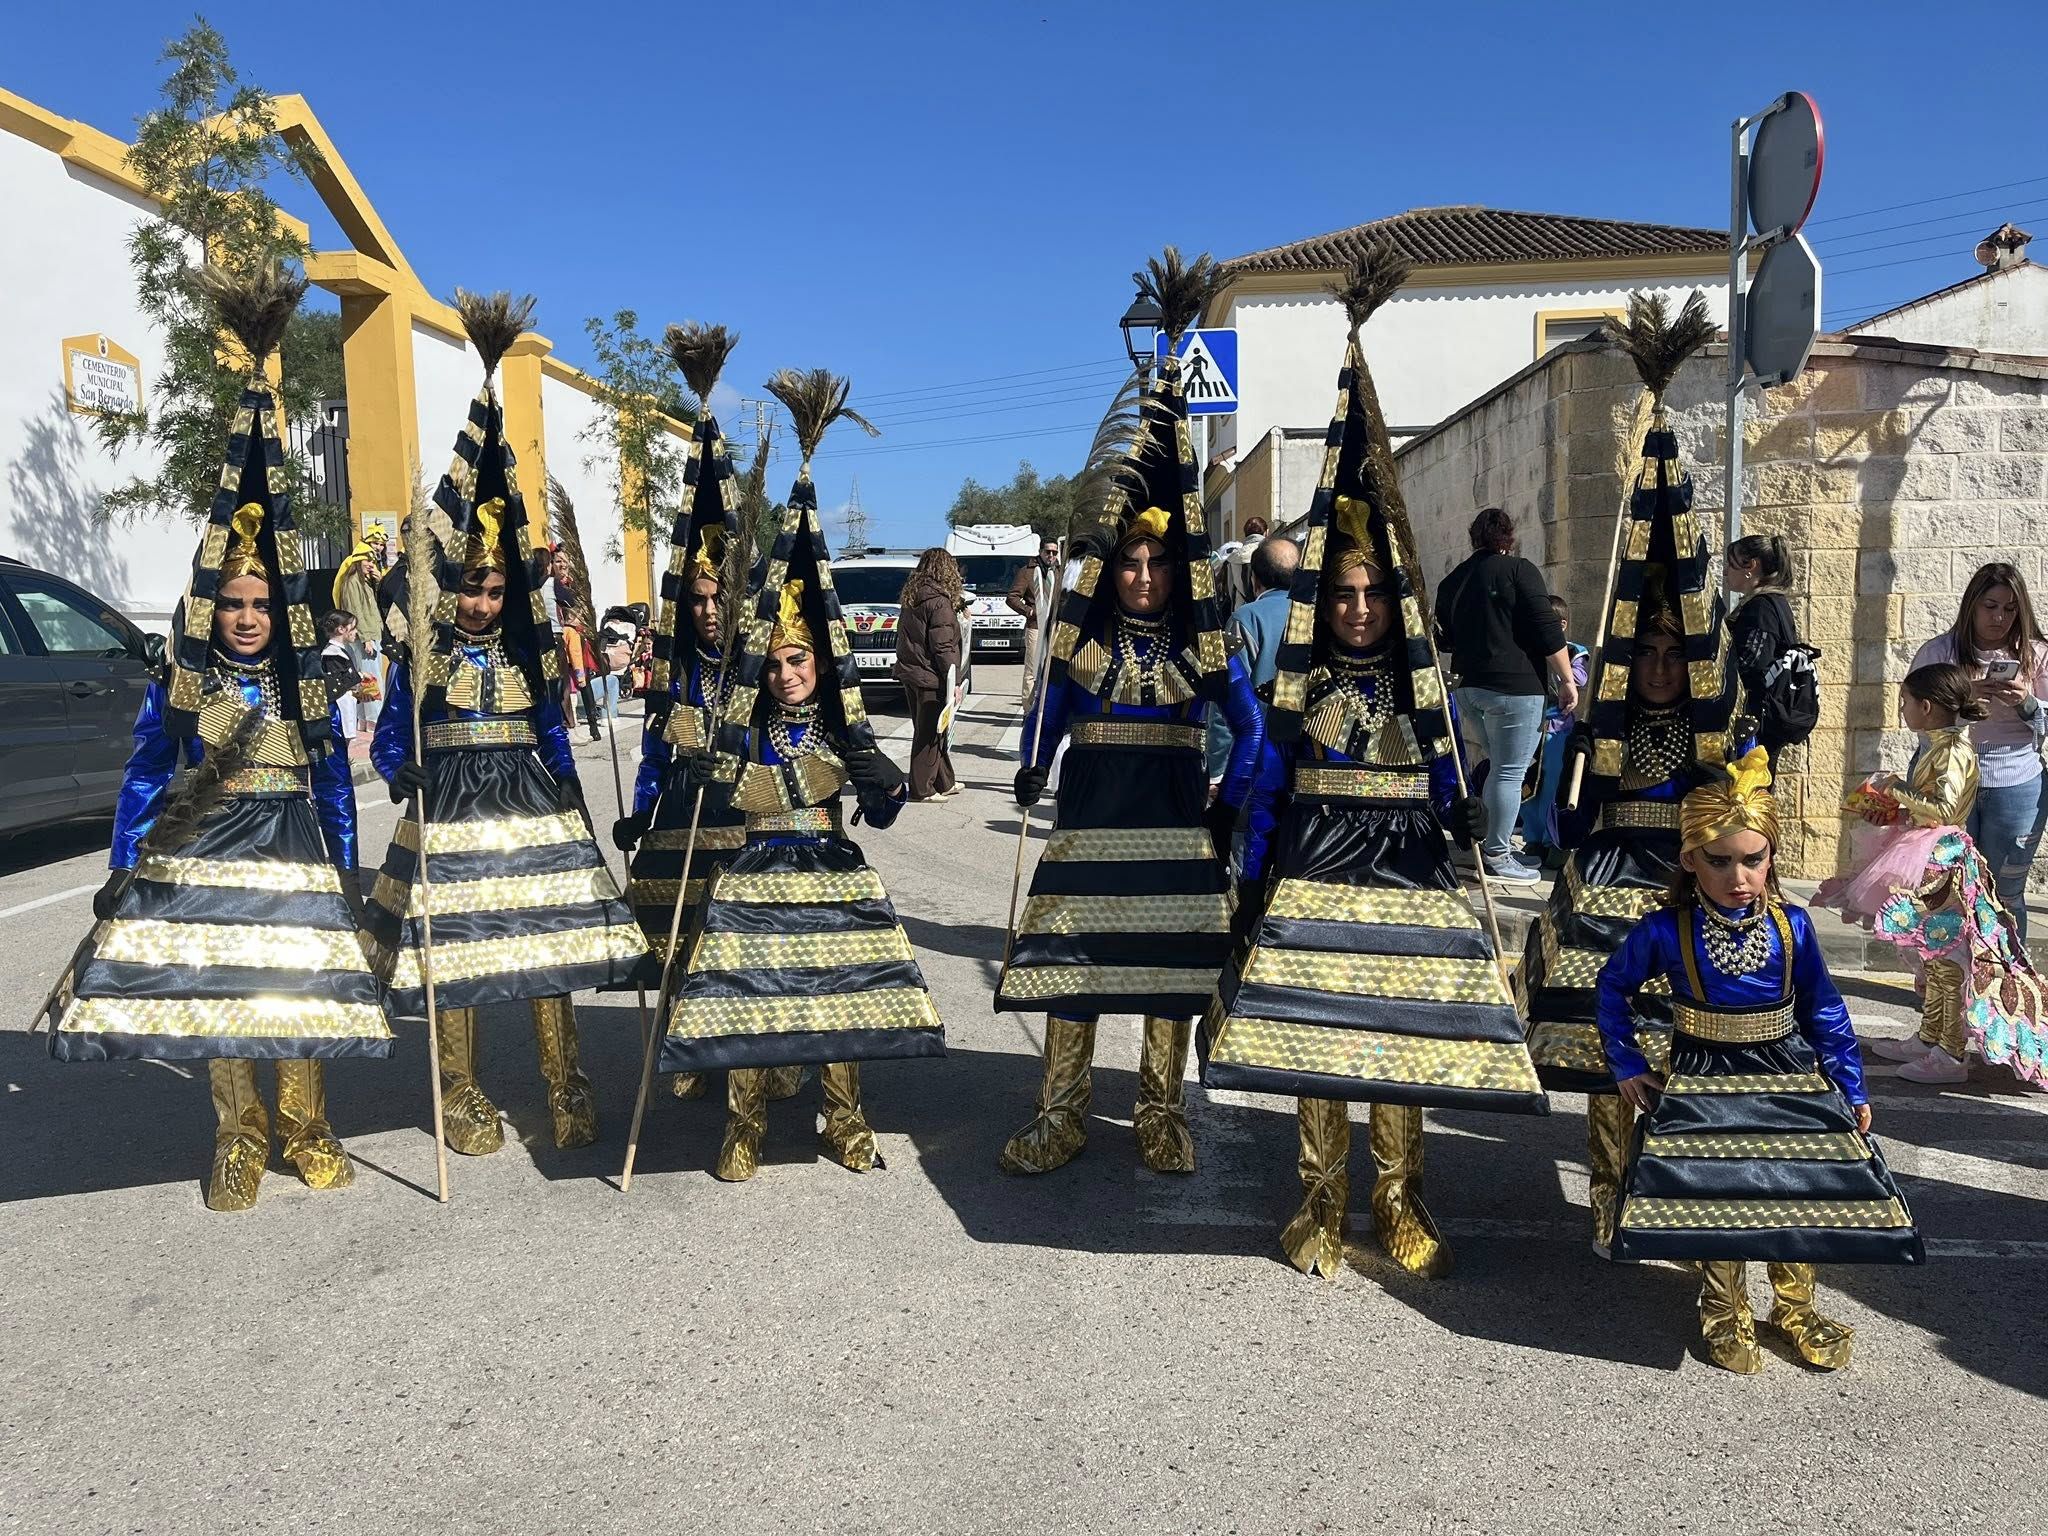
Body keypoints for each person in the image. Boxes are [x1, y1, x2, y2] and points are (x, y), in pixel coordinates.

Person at [1200, 275, 1536, 1279]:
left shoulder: (1422, 693)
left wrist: (1463, 804)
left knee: (1394, 1051)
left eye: (1369, 594)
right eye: (1340, 593)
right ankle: (1317, 1200)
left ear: (1393, 600)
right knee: (1316, 1051)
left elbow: (1444, 782)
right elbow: (1262, 779)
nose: (1354, 609)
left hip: (1402, 885)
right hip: (1314, 877)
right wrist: (1250, 879)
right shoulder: (1298, 691)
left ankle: (1397, 1201)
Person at [44, 267, 394, 1211]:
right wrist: (127, 862)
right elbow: (147, 773)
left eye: (261, 602)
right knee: (229, 1002)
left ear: (282, 607)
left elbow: (331, 791)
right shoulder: (185, 682)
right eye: (233, 603)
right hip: (210, 856)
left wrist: (349, 876)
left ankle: (308, 1128)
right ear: (214, 605)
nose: (247, 616)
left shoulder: (310, 685)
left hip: (294, 854)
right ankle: (238, 1138)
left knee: (300, 996)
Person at [364, 303, 648, 1157]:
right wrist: (397, 770)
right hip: (450, 800)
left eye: (495, 590)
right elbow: (390, 729)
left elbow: (555, 732)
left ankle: (567, 1083)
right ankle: (459, 1091)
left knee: (546, 949)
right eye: (472, 589)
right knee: (459, 956)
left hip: (525, 797)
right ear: (451, 586)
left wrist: (568, 785)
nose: (484, 603)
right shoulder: (425, 649)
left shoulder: (534, 656)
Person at [995, 331, 1264, 1177]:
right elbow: (1050, 713)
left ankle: (1158, 1112)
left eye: (1156, 562)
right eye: (1130, 562)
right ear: (1111, 567)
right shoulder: (1082, 642)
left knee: (1166, 977)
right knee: (1073, 970)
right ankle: (1062, 1113)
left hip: (1178, 823)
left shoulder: (1207, 644)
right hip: (1090, 821)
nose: (1143, 575)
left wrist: (1228, 807)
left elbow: (1253, 729)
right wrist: (1034, 762)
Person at [658, 403, 943, 1181]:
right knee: (753, 1001)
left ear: (821, 664)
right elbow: (720, 790)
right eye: (776, 662)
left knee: (838, 999)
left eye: (799, 661)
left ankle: (847, 1122)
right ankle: (743, 1126)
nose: (786, 674)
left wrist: (890, 788)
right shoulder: (745, 726)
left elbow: (878, 814)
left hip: (828, 867)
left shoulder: (843, 731)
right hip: (757, 871)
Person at [1601, 748, 1923, 1373]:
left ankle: (1795, 1308)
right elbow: (1612, 988)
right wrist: (1626, 1062)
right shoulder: (1666, 930)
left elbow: (1825, 1009)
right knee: (1719, 1188)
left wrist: (1850, 1085)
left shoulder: (1793, 926)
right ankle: (1724, 1308)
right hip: (1703, 1073)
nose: (1737, 876)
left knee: (1793, 1184)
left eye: (1753, 859)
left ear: (1772, 857)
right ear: (1689, 860)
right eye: (1718, 861)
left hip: (1786, 1069)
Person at [1521, 405, 1742, 1255]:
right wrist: (1574, 780)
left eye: (1670, 651)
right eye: (1643, 651)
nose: (1656, 665)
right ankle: (1609, 1189)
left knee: (1693, 1048)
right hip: (1612, 887)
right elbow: (1570, 828)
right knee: (1611, 1057)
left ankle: (1676, 1190)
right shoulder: (1597, 728)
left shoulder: (1718, 734)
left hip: (1690, 890)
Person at [1816, 662, 2047, 1087]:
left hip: (1941, 859)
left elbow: (1942, 810)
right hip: (1926, 853)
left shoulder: (1954, 749)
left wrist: (1894, 789)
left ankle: (1950, 1053)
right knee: (1932, 955)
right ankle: (1930, 1037)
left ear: (1925, 706)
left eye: (1905, 703)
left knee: (1946, 959)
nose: (1902, 710)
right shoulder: (1939, 744)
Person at [1435, 507, 1579, 883]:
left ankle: (1488, 845)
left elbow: (1443, 636)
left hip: (1468, 687)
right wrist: (1567, 679)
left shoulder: (1453, 579)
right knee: (1509, 772)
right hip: (1515, 688)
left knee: (1496, 768)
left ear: (1474, 537)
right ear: (1508, 538)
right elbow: (1548, 629)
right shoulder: (1520, 570)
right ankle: (1498, 855)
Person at [1910, 562, 2048, 942]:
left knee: (2005, 892)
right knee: (1945, 889)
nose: (1999, 617)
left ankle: (2006, 982)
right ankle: (1945, 980)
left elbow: (2045, 724)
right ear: (1972, 605)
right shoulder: (1939, 652)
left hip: (2016, 785)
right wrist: (1960, 697)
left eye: (2009, 608)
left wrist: (2028, 703)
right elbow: (1912, 715)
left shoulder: (2037, 655)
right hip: (1948, 783)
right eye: (1990, 606)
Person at [1204, 534, 1297, 790]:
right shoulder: (1319, 615)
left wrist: (1218, 770)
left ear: (1254, 578)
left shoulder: (1245, 619)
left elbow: (1227, 701)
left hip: (1257, 768)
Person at [894, 547, 966, 802]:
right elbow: (943, 646)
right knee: (929, 733)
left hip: (912, 672)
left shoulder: (913, 596)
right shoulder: (940, 602)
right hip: (931, 676)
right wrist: (954, 681)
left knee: (935, 728)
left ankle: (944, 781)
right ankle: (921, 789)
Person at [1724, 534, 1802, 769]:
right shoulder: (1774, 603)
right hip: (1765, 721)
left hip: (1755, 723)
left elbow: (1754, 665)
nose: (1726, 571)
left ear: (1751, 566)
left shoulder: (1762, 608)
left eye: (1731, 564)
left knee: (1748, 794)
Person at [1519, 594, 1586, 864]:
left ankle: (1552, 839)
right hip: (1531, 726)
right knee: (1529, 785)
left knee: (1554, 786)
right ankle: (1533, 839)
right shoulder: (1526, 649)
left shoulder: (1574, 651)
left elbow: (1578, 678)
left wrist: (1554, 658)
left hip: (1559, 731)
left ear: (1561, 624)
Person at [551, 546, 603, 741]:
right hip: (563, 638)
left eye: (565, 561)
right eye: (558, 561)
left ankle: (592, 724)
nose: (562, 564)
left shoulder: (573, 585)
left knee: (584, 680)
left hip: (578, 638)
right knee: (563, 682)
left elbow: (580, 610)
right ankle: (568, 727)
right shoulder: (551, 584)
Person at [1007, 536, 1061, 704]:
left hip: (1055, 627)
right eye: (1048, 552)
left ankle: (1048, 708)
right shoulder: (1027, 571)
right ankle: (1028, 708)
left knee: (1054, 670)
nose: (1051, 555)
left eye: (1054, 552)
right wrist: (1029, 611)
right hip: (1035, 626)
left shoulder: (1060, 571)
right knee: (1032, 670)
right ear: (1040, 552)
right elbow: (1012, 598)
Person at [321, 610, 364, 739]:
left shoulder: (340, 651)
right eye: (353, 627)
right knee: (340, 744)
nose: (356, 632)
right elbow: (337, 682)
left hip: (346, 703)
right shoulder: (332, 654)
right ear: (341, 629)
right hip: (339, 707)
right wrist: (360, 676)